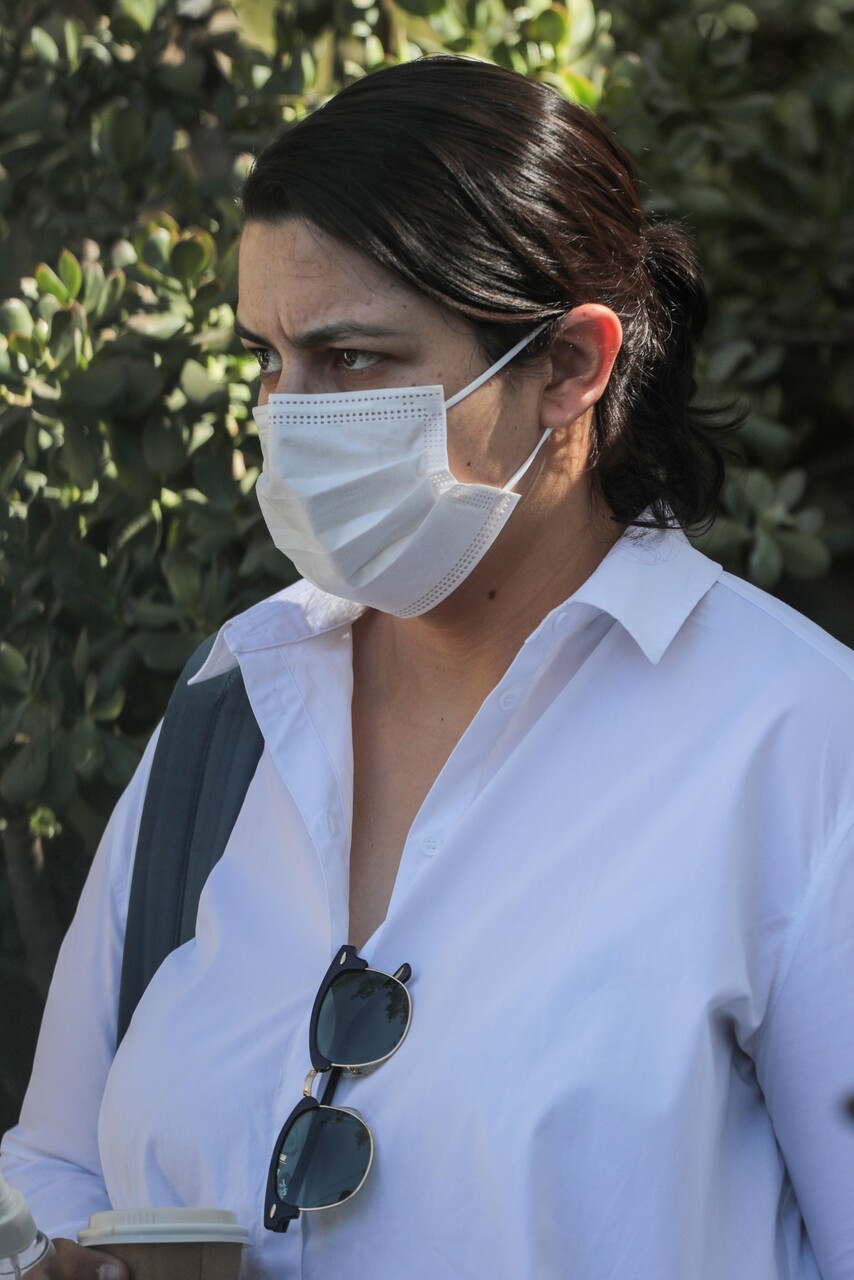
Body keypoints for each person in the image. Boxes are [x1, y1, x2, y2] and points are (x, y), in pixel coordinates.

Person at [2, 53, 854, 1280]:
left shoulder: (796, 744)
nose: (288, 419)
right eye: (268, 359)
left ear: (570, 365)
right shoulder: (232, 699)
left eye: (351, 361)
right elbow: (55, 1158)